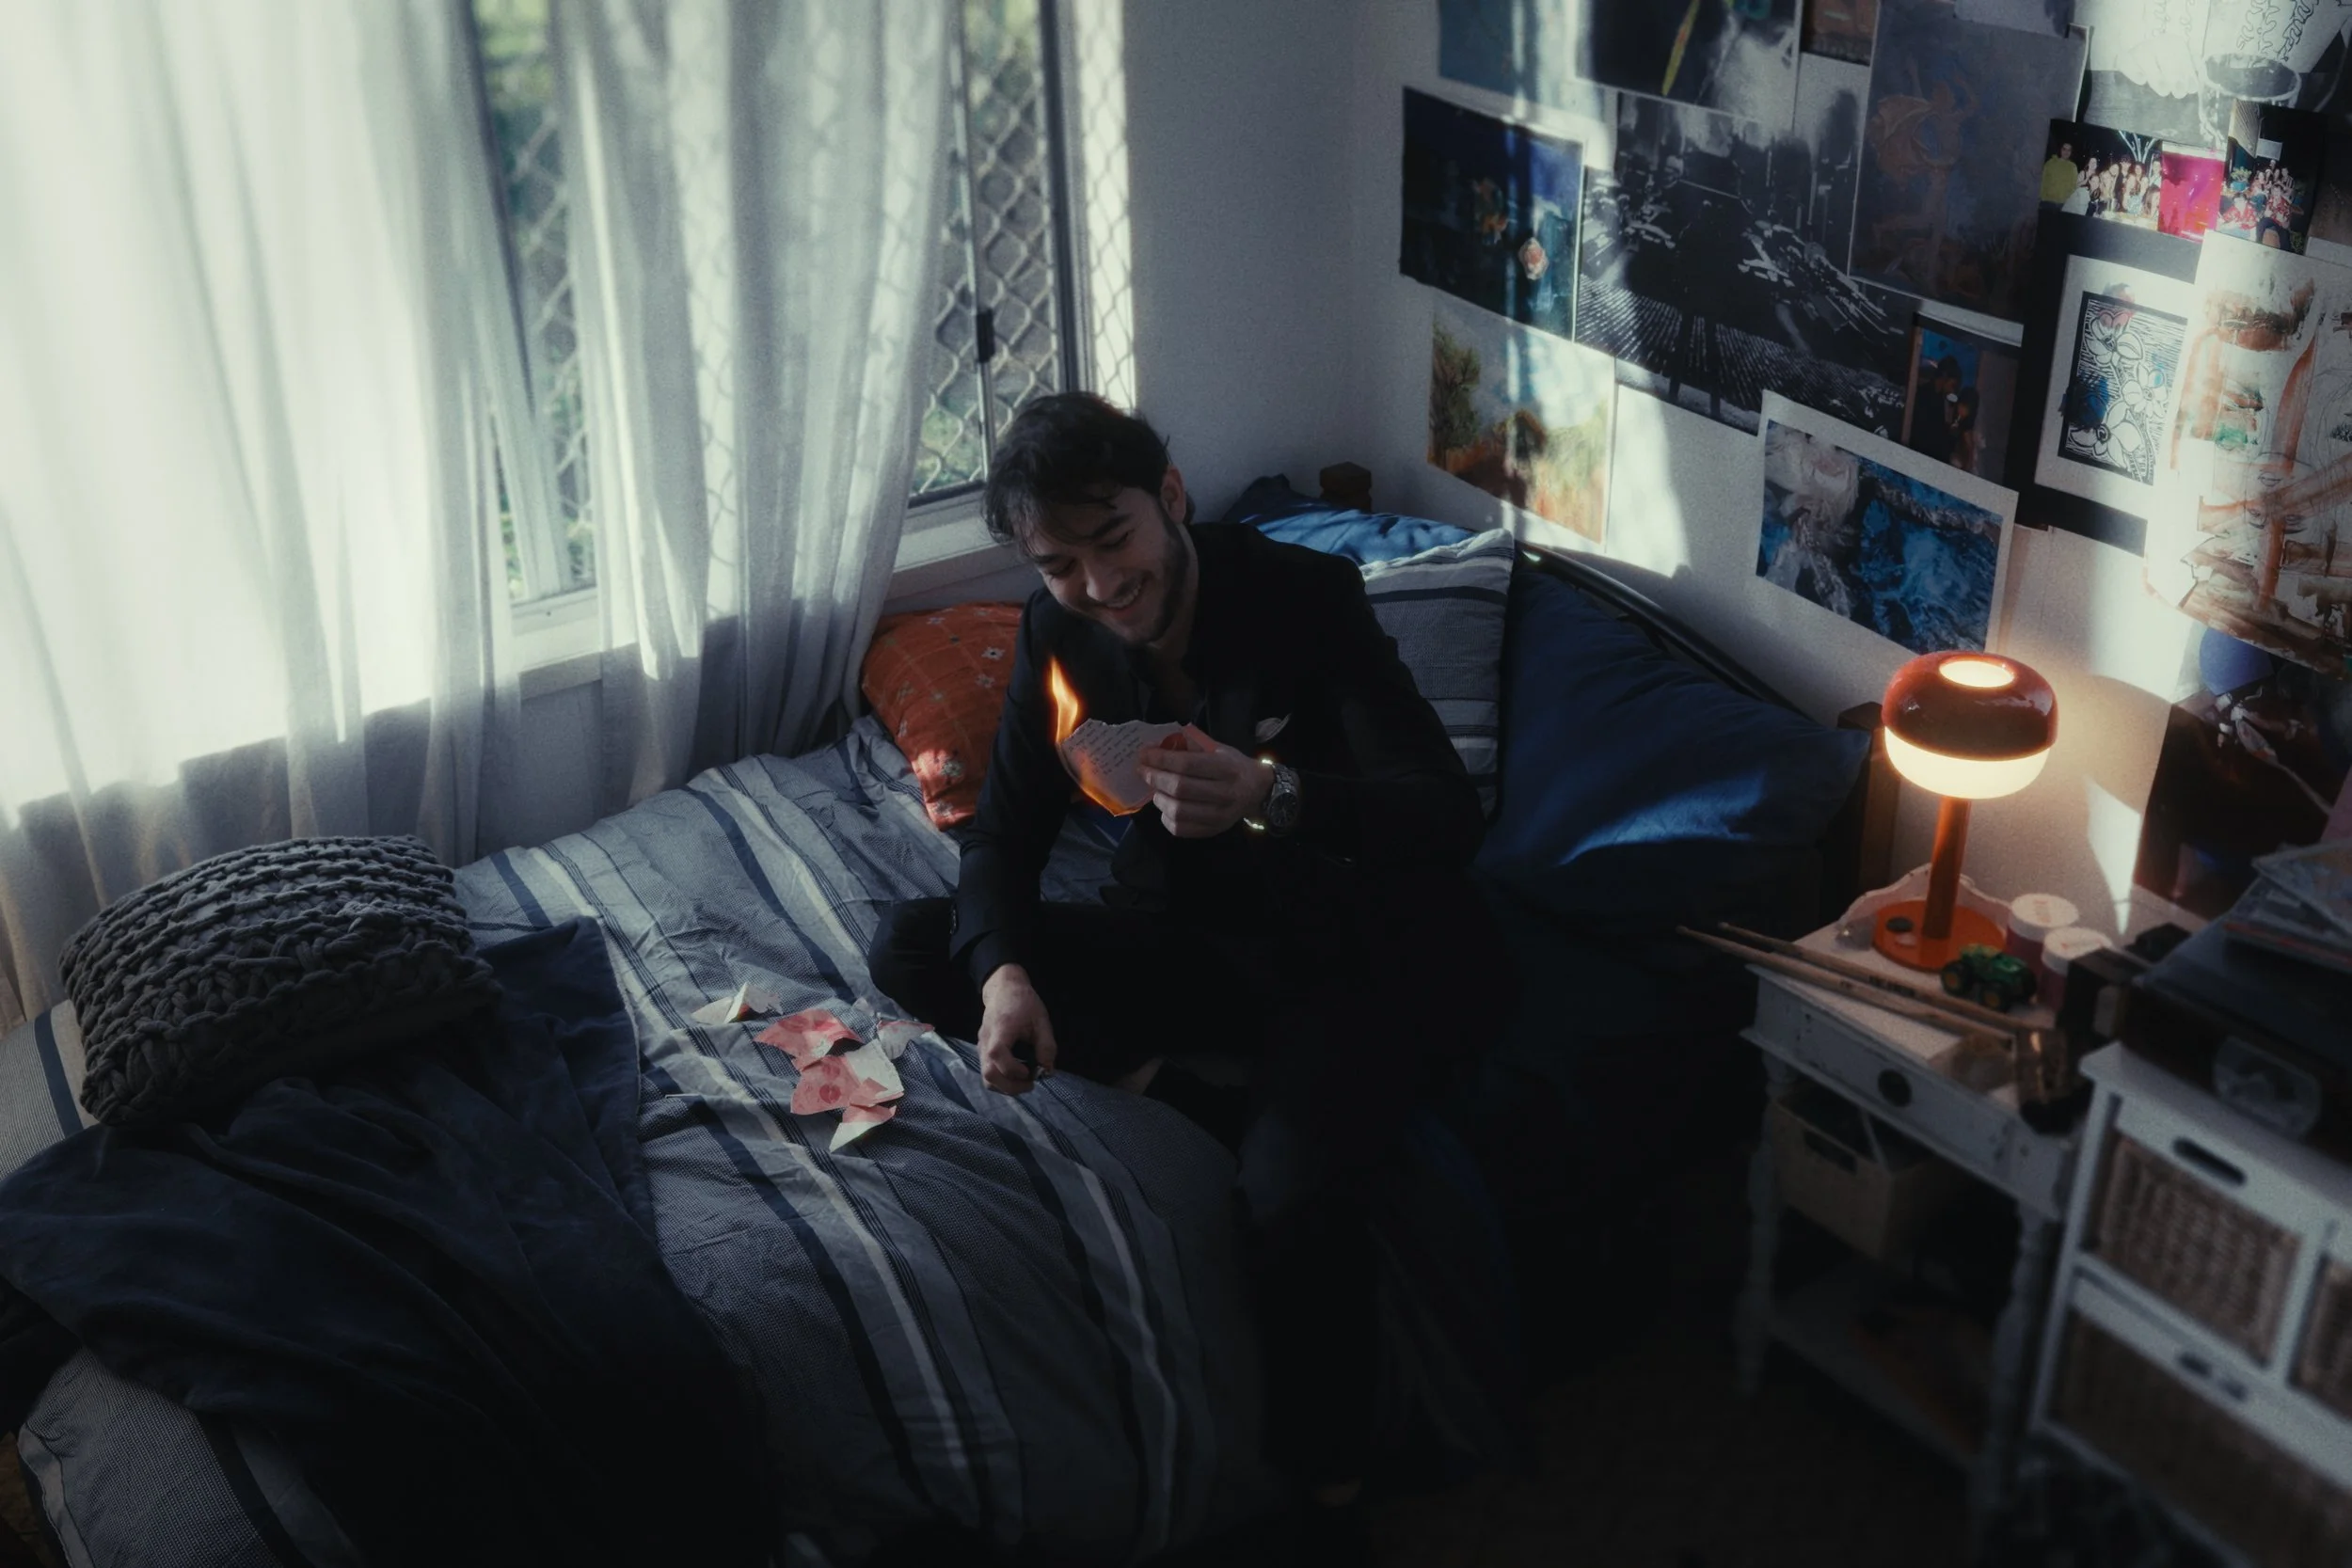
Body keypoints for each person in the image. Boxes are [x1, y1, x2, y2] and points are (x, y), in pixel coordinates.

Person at [865, 393, 1515, 1559]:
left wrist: (1279, 791)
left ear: (1168, 498)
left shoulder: (1305, 602)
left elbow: (1443, 813)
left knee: (1289, 1199)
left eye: (1112, 539)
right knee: (918, 944)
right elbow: (1004, 834)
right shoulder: (1055, 633)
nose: (1100, 584)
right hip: (1186, 938)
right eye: (1059, 562)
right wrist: (1006, 972)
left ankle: (1329, 1495)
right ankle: (1198, 1093)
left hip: (1343, 953)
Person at [2041, 139, 2079, 205]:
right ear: (2060, 150)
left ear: (2071, 152)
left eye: (2069, 150)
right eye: (2064, 149)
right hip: (2046, 201)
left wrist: (2067, 199)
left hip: (2063, 204)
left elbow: (2074, 186)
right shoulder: (2050, 163)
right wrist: (2041, 197)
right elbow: (2042, 180)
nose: (2066, 152)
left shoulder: (2073, 167)